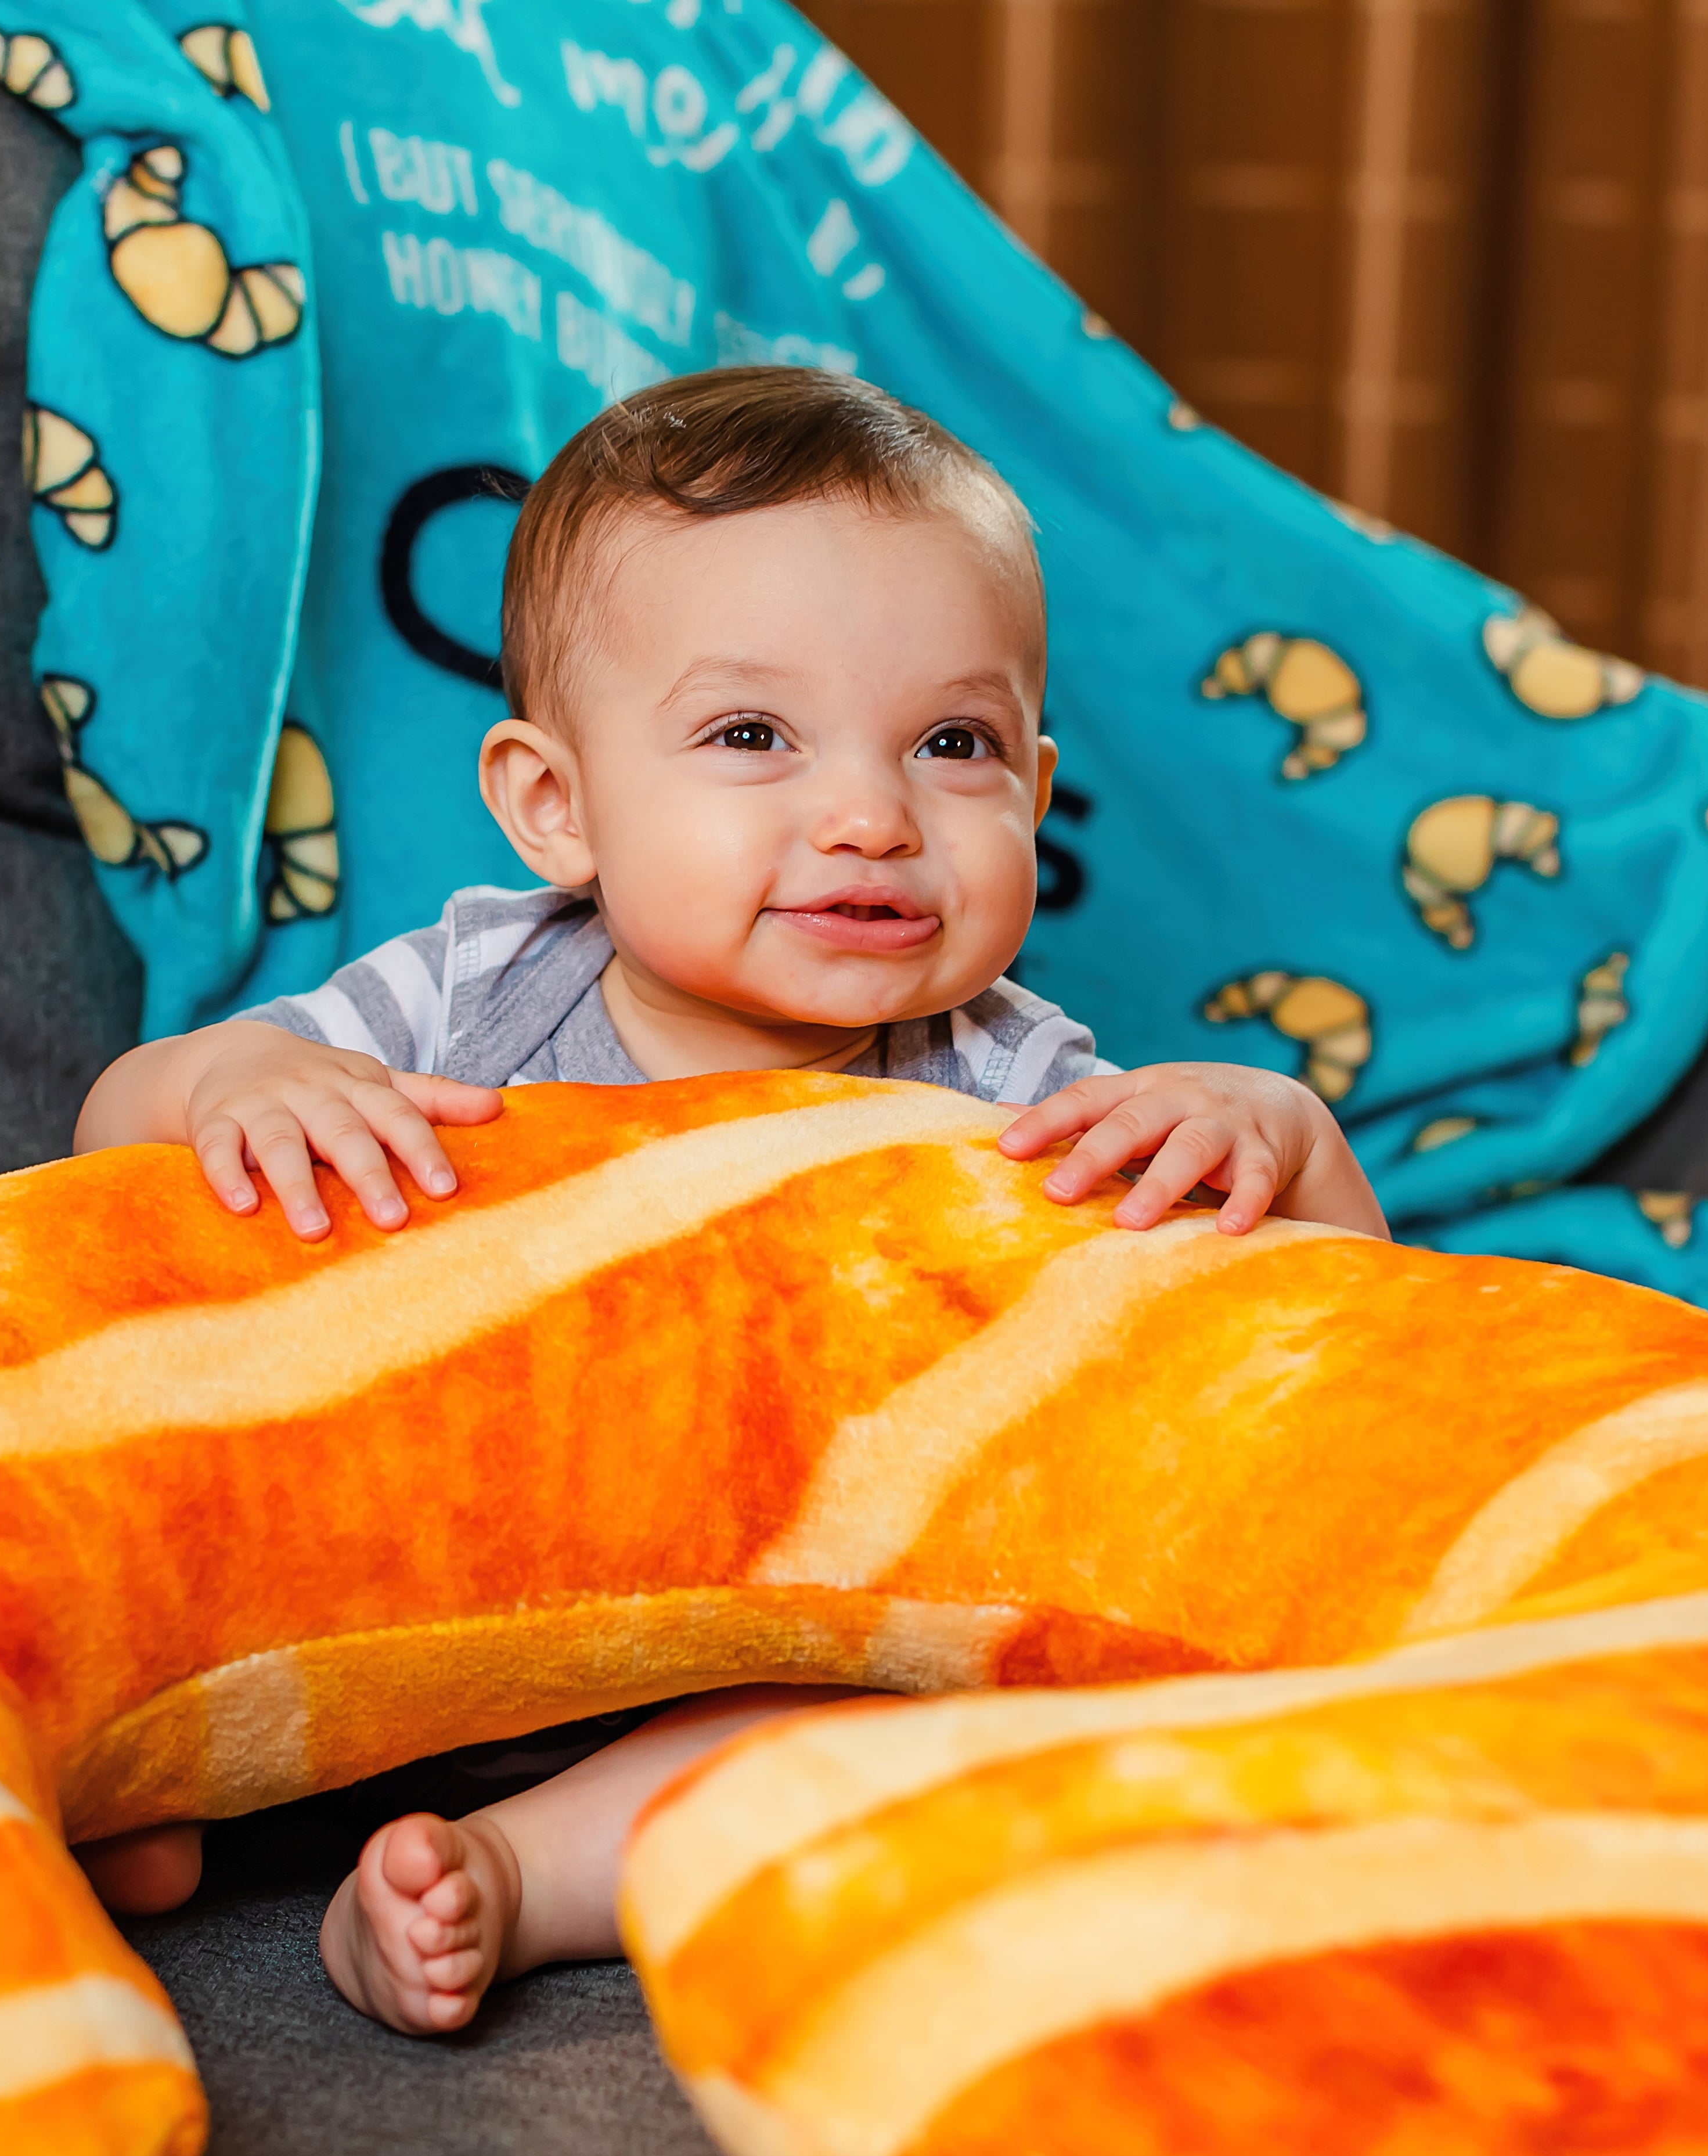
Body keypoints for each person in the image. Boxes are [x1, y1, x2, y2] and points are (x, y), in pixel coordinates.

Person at [70, 365, 1386, 2032]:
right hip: (400, 1594)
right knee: (174, 1447)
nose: (869, 815)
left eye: (953, 743)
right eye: (753, 737)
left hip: (728, 1661)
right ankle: (154, 1766)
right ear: (560, 805)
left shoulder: (1017, 1093)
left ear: (1035, 797)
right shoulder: (473, 996)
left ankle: (523, 1873)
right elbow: (112, 1150)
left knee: (907, 1714)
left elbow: (1313, 1395)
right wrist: (233, 1086)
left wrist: (1286, 1139)